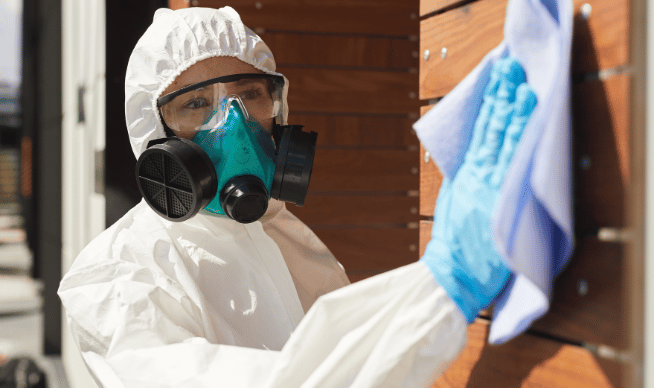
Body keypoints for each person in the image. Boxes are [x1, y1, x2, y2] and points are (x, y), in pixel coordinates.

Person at [58, 6, 534, 387]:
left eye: (250, 95)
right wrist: (443, 286)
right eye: (196, 104)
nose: (234, 125)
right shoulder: (117, 278)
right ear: (153, 136)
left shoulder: (284, 236)